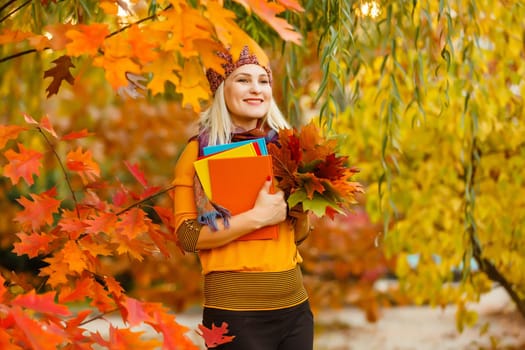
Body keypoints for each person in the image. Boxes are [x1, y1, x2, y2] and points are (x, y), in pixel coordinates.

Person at [172, 45, 314, 350]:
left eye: (263, 81)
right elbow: (187, 236)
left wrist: (302, 216)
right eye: (243, 80)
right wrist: (258, 218)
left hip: (295, 308)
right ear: (221, 87)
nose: (256, 89)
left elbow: (297, 236)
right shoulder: (196, 152)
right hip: (234, 315)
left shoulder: (288, 150)